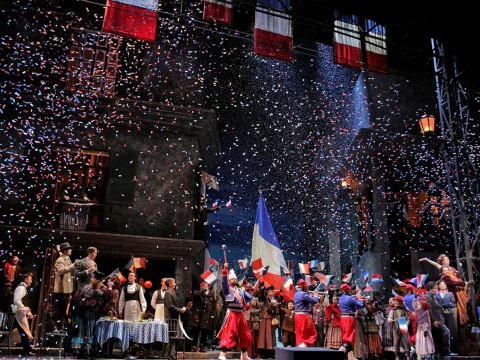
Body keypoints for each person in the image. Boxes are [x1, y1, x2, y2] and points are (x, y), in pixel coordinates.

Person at [420, 254, 474, 325]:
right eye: (445, 259)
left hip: (459, 285)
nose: (447, 260)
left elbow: (459, 276)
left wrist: (460, 269)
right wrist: (426, 259)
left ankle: (466, 321)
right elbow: (435, 263)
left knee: (464, 304)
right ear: (442, 262)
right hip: (455, 287)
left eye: (448, 259)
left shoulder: (452, 268)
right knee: (456, 308)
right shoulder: (443, 270)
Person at [70, 271, 112, 357]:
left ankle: (86, 349)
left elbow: (105, 296)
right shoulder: (92, 289)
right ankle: (81, 349)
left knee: (88, 329)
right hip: (85, 312)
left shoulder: (95, 289)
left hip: (91, 312)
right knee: (85, 329)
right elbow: (81, 295)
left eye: (93, 278)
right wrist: (106, 287)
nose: (92, 279)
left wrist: (103, 286)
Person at [216, 264, 252, 360]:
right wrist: (225, 270)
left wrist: (248, 304)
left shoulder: (241, 290)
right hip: (232, 313)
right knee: (229, 333)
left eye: (234, 279)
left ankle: (244, 355)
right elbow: (224, 282)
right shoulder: (227, 289)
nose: (233, 280)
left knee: (244, 334)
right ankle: (222, 354)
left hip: (241, 314)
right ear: (229, 280)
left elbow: (250, 298)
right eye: (231, 279)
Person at [423, 281, 455, 356]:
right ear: (430, 289)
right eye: (435, 288)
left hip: (439, 319)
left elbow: (437, 307)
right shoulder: (428, 297)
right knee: (446, 332)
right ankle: (445, 351)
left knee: (440, 335)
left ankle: (442, 352)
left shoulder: (433, 296)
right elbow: (429, 310)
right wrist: (434, 321)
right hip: (435, 320)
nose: (436, 290)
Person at [52, 242, 78, 331]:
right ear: (65, 251)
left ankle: (61, 326)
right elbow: (61, 270)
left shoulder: (68, 259)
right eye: (69, 249)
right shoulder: (60, 260)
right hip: (61, 289)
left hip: (67, 288)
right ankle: (54, 326)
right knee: (57, 308)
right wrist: (73, 265)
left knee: (63, 309)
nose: (71, 250)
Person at [188, 280, 216, 352]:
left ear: (208, 285)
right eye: (202, 284)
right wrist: (202, 290)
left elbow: (213, 304)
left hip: (207, 315)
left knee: (205, 332)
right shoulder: (197, 292)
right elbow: (196, 295)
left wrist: (212, 314)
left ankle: (202, 346)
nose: (203, 285)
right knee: (196, 332)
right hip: (198, 314)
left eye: (205, 284)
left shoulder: (212, 293)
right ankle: (193, 346)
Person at [163, 277, 186, 360]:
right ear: (170, 284)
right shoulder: (168, 293)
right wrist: (180, 310)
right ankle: (166, 355)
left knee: (173, 336)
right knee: (170, 336)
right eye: (174, 282)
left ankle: (171, 354)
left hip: (174, 317)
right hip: (170, 317)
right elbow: (170, 306)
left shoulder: (172, 292)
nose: (175, 284)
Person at [12, 274, 35, 356]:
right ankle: (27, 350)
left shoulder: (23, 288)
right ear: (25, 279)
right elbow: (17, 301)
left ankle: (27, 350)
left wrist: (29, 313)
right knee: (24, 332)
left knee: (23, 332)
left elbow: (22, 303)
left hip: (20, 312)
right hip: (17, 313)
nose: (31, 281)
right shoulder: (21, 288)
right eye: (30, 279)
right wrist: (24, 309)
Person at [338, 283, 365, 354]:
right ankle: (342, 349)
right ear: (347, 290)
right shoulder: (350, 298)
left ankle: (349, 355)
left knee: (345, 336)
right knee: (349, 337)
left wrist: (355, 297)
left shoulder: (340, 298)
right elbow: (360, 305)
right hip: (349, 319)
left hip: (343, 318)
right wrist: (360, 298)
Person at [293, 279, 318, 347]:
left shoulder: (296, 294)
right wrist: (315, 295)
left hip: (297, 316)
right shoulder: (303, 294)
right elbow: (314, 301)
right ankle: (304, 349)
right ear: (304, 286)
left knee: (300, 334)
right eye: (307, 287)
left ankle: (301, 347)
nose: (308, 288)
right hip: (303, 316)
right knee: (311, 334)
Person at [436, 278, 458, 353]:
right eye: (441, 284)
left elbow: (454, 304)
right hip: (440, 315)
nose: (443, 285)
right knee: (442, 331)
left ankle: (451, 349)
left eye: (444, 284)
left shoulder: (450, 294)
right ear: (438, 286)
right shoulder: (436, 295)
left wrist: (448, 304)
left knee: (450, 331)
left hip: (449, 314)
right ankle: (441, 350)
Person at [257, 285, 280, 358]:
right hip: (265, 318)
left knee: (271, 335)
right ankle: (264, 353)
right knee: (264, 335)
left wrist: (275, 309)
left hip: (271, 319)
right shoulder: (266, 300)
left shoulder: (275, 301)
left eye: (272, 291)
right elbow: (262, 295)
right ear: (267, 293)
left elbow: (277, 312)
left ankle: (271, 352)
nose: (271, 293)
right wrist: (262, 289)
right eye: (269, 291)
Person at [388, 295, 411, 360]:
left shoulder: (404, 310)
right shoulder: (393, 310)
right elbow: (389, 318)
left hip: (403, 325)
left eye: (397, 301)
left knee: (406, 341)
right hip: (396, 327)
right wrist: (390, 319)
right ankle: (397, 356)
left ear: (400, 302)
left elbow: (408, 318)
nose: (395, 302)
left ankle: (408, 356)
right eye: (394, 301)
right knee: (396, 342)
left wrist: (407, 323)